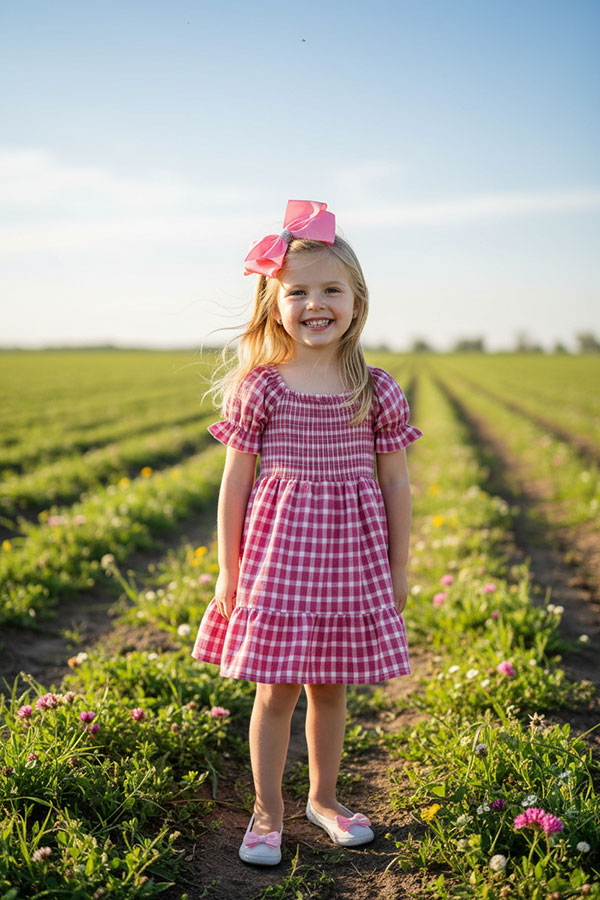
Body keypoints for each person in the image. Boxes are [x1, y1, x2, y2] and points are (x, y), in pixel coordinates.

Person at [191, 199, 423, 866]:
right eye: (297, 292)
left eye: (331, 290)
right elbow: (235, 484)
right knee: (275, 690)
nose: (315, 304)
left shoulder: (376, 389)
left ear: (357, 301)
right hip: (278, 560)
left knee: (330, 687)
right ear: (274, 303)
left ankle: (324, 799)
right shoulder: (261, 387)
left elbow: (396, 484)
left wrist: (399, 567)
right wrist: (229, 569)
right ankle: (266, 811)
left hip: (349, 561)